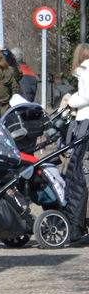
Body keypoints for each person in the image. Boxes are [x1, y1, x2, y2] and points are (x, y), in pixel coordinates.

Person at [61, 44, 89, 242]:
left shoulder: (85, 70)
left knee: (78, 174)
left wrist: (71, 102)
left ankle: (76, 225)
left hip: (85, 122)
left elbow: (87, 96)